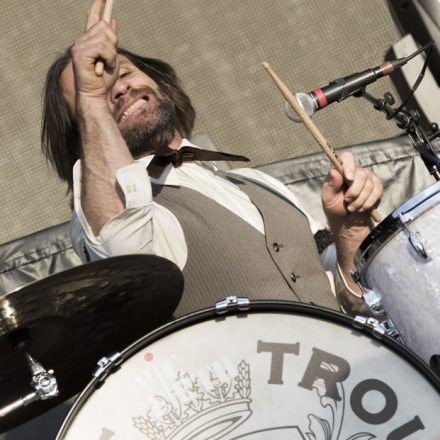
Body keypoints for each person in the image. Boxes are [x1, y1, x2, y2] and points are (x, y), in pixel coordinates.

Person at [41, 0, 383, 318]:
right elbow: (120, 240)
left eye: (125, 73)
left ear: (157, 81)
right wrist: (88, 95)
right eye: (98, 95)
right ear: (82, 132)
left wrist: (347, 228)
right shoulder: (109, 218)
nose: (117, 89)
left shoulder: (259, 184)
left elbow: (355, 303)